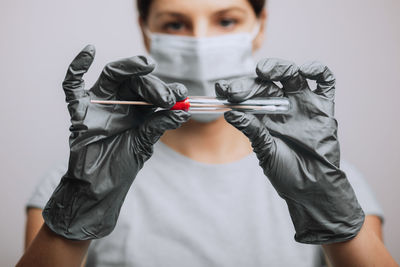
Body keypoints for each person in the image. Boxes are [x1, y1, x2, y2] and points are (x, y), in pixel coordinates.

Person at [17, 0, 398, 266]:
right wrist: (80, 207)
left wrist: (329, 209)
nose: (200, 43)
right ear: (146, 31)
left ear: (260, 25)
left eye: (226, 20)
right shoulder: (70, 183)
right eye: (175, 24)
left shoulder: (332, 180)